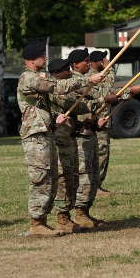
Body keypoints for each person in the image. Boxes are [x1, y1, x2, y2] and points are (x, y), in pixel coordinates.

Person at [17, 40, 102, 238]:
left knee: (51, 178)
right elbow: (56, 87)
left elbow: (39, 108)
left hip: (45, 133)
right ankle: (36, 222)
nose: (45, 58)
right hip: (35, 137)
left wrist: (55, 119)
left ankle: (43, 221)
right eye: (41, 55)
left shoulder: (36, 77)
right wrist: (87, 80)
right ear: (31, 59)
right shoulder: (28, 78)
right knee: (41, 178)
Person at [67, 48, 109, 229]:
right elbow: (83, 104)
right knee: (84, 175)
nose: (88, 63)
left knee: (92, 175)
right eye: (85, 60)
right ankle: (79, 212)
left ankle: (85, 211)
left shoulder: (85, 80)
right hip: (79, 136)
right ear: (75, 64)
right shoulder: (73, 82)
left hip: (90, 132)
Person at [48, 58, 88, 234]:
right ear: (58, 74)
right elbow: (75, 107)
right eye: (66, 70)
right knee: (64, 178)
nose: (70, 72)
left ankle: (67, 216)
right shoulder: (54, 90)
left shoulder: (65, 88)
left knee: (73, 177)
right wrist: (103, 99)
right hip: (60, 140)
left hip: (69, 138)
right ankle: (61, 217)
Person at [87, 50, 116, 196]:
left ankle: (98, 184)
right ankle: (95, 186)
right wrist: (109, 66)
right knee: (100, 154)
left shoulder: (99, 75)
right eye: (102, 59)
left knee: (103, 153)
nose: (104, 61)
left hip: (103, 120)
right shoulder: (93, 77)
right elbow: (109, 84)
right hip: (97, 122)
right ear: (97, 62)